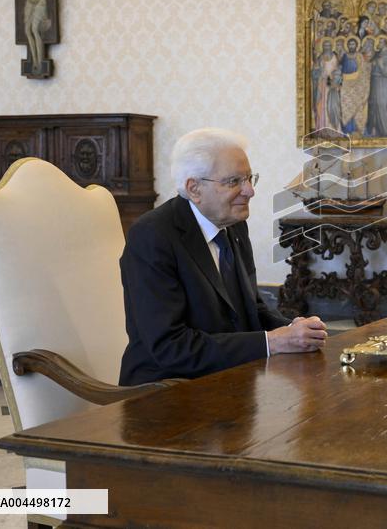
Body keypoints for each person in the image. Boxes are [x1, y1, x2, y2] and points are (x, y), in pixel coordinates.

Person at [119, 128, 327, 385]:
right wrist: (273, 341)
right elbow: (170, 347)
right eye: (233, 181)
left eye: (249, 178)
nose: (249, 191)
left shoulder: (234, 224)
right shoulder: (152, 236)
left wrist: (297, 330)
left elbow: (253, 310)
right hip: (164, 390)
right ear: (194, 188)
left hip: (229, 379)